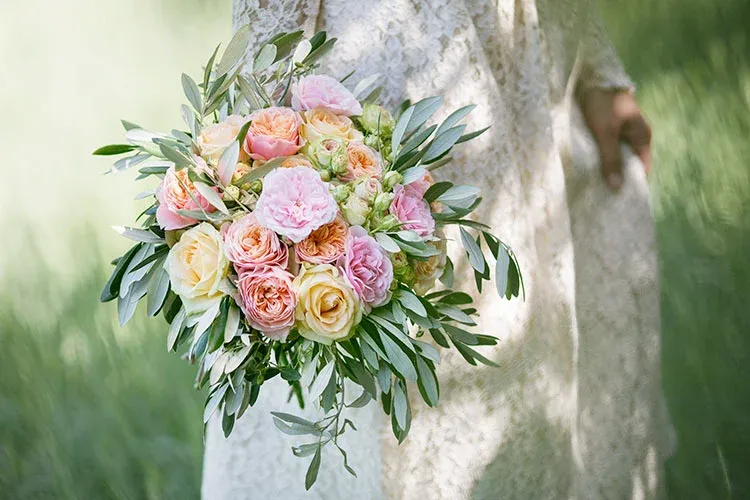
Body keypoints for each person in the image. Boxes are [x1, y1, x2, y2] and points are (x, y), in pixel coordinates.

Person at [202, 0, 674, 498]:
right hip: (375, 60)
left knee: (517, 350)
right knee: (373, 338)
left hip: (516, 62)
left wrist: (596, 67)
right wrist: (251, 139)